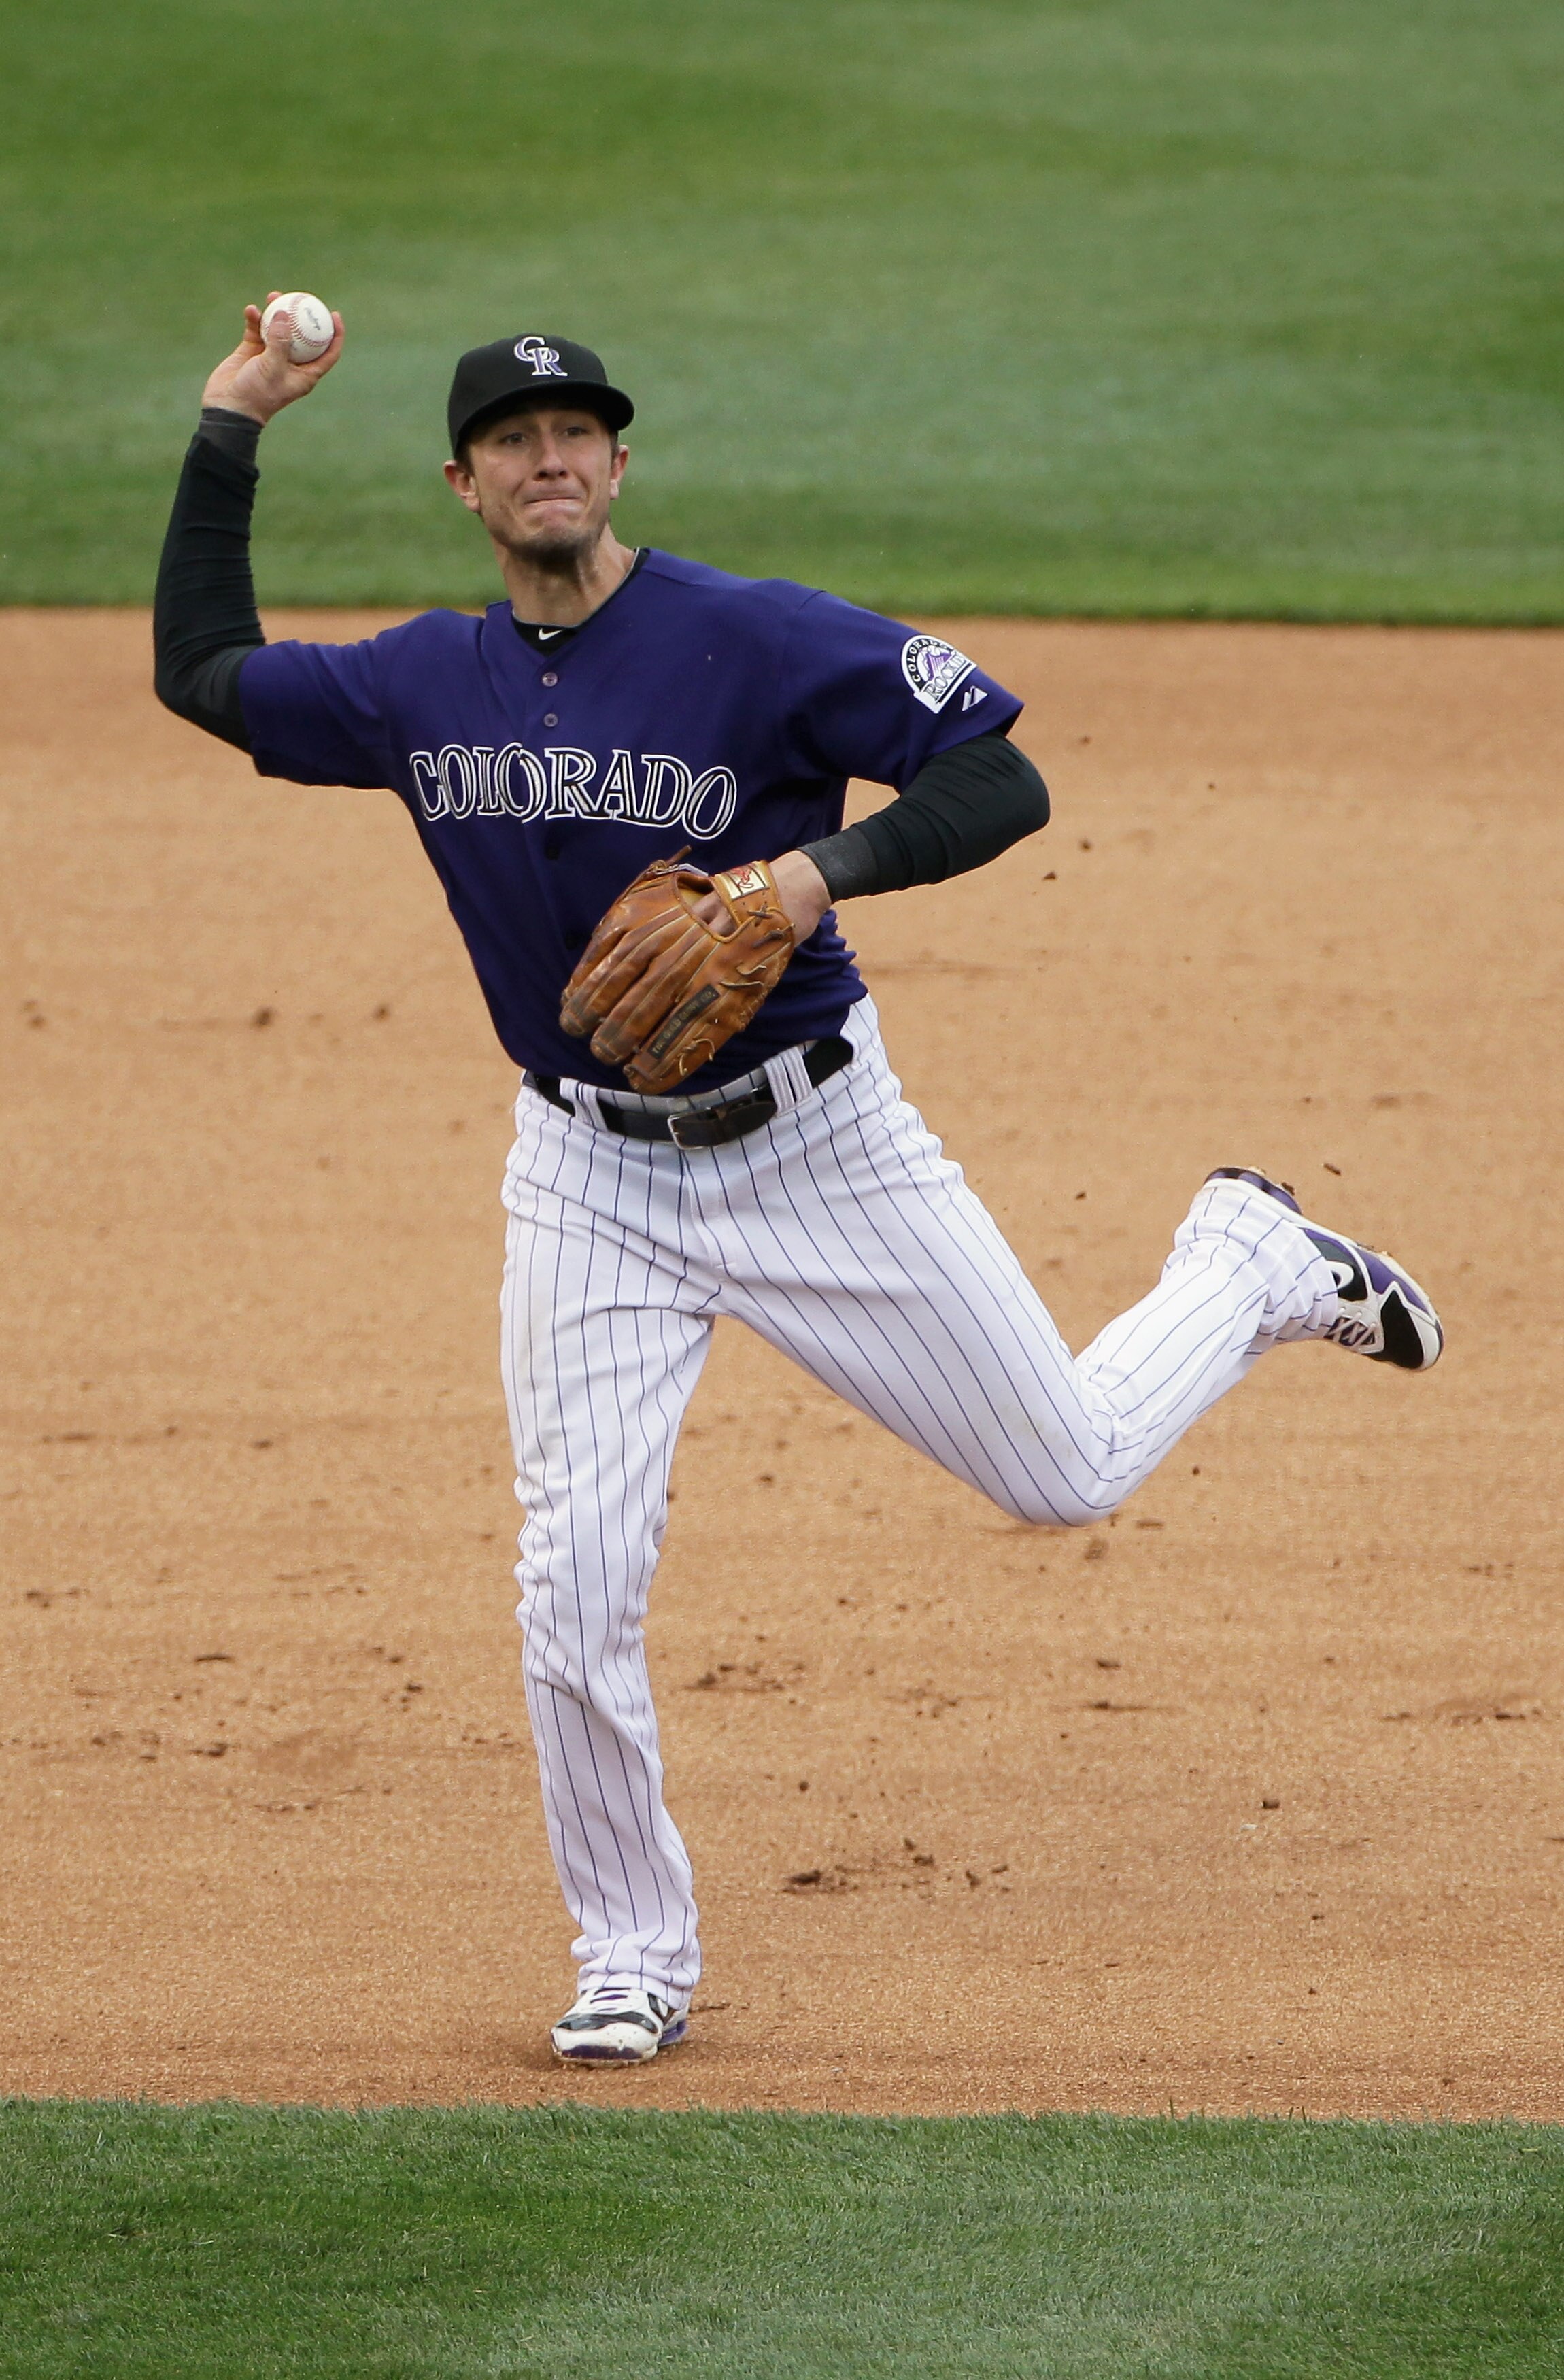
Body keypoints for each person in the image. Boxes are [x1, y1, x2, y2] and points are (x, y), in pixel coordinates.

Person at [155, 300, 1443, 2067]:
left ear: (616, 461)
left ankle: (1243, 1256)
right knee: (570, 1578)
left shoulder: (749, 638)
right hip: (585, 1177)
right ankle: (628, 1948)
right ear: (464, 481)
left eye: (578, 429)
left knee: (1063, 1470)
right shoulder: (413, 682)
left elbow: (999, 772)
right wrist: (233, 419)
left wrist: (808, 877)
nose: (551, 455)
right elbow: (207, 673)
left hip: (819, 1145)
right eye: (515, 437)